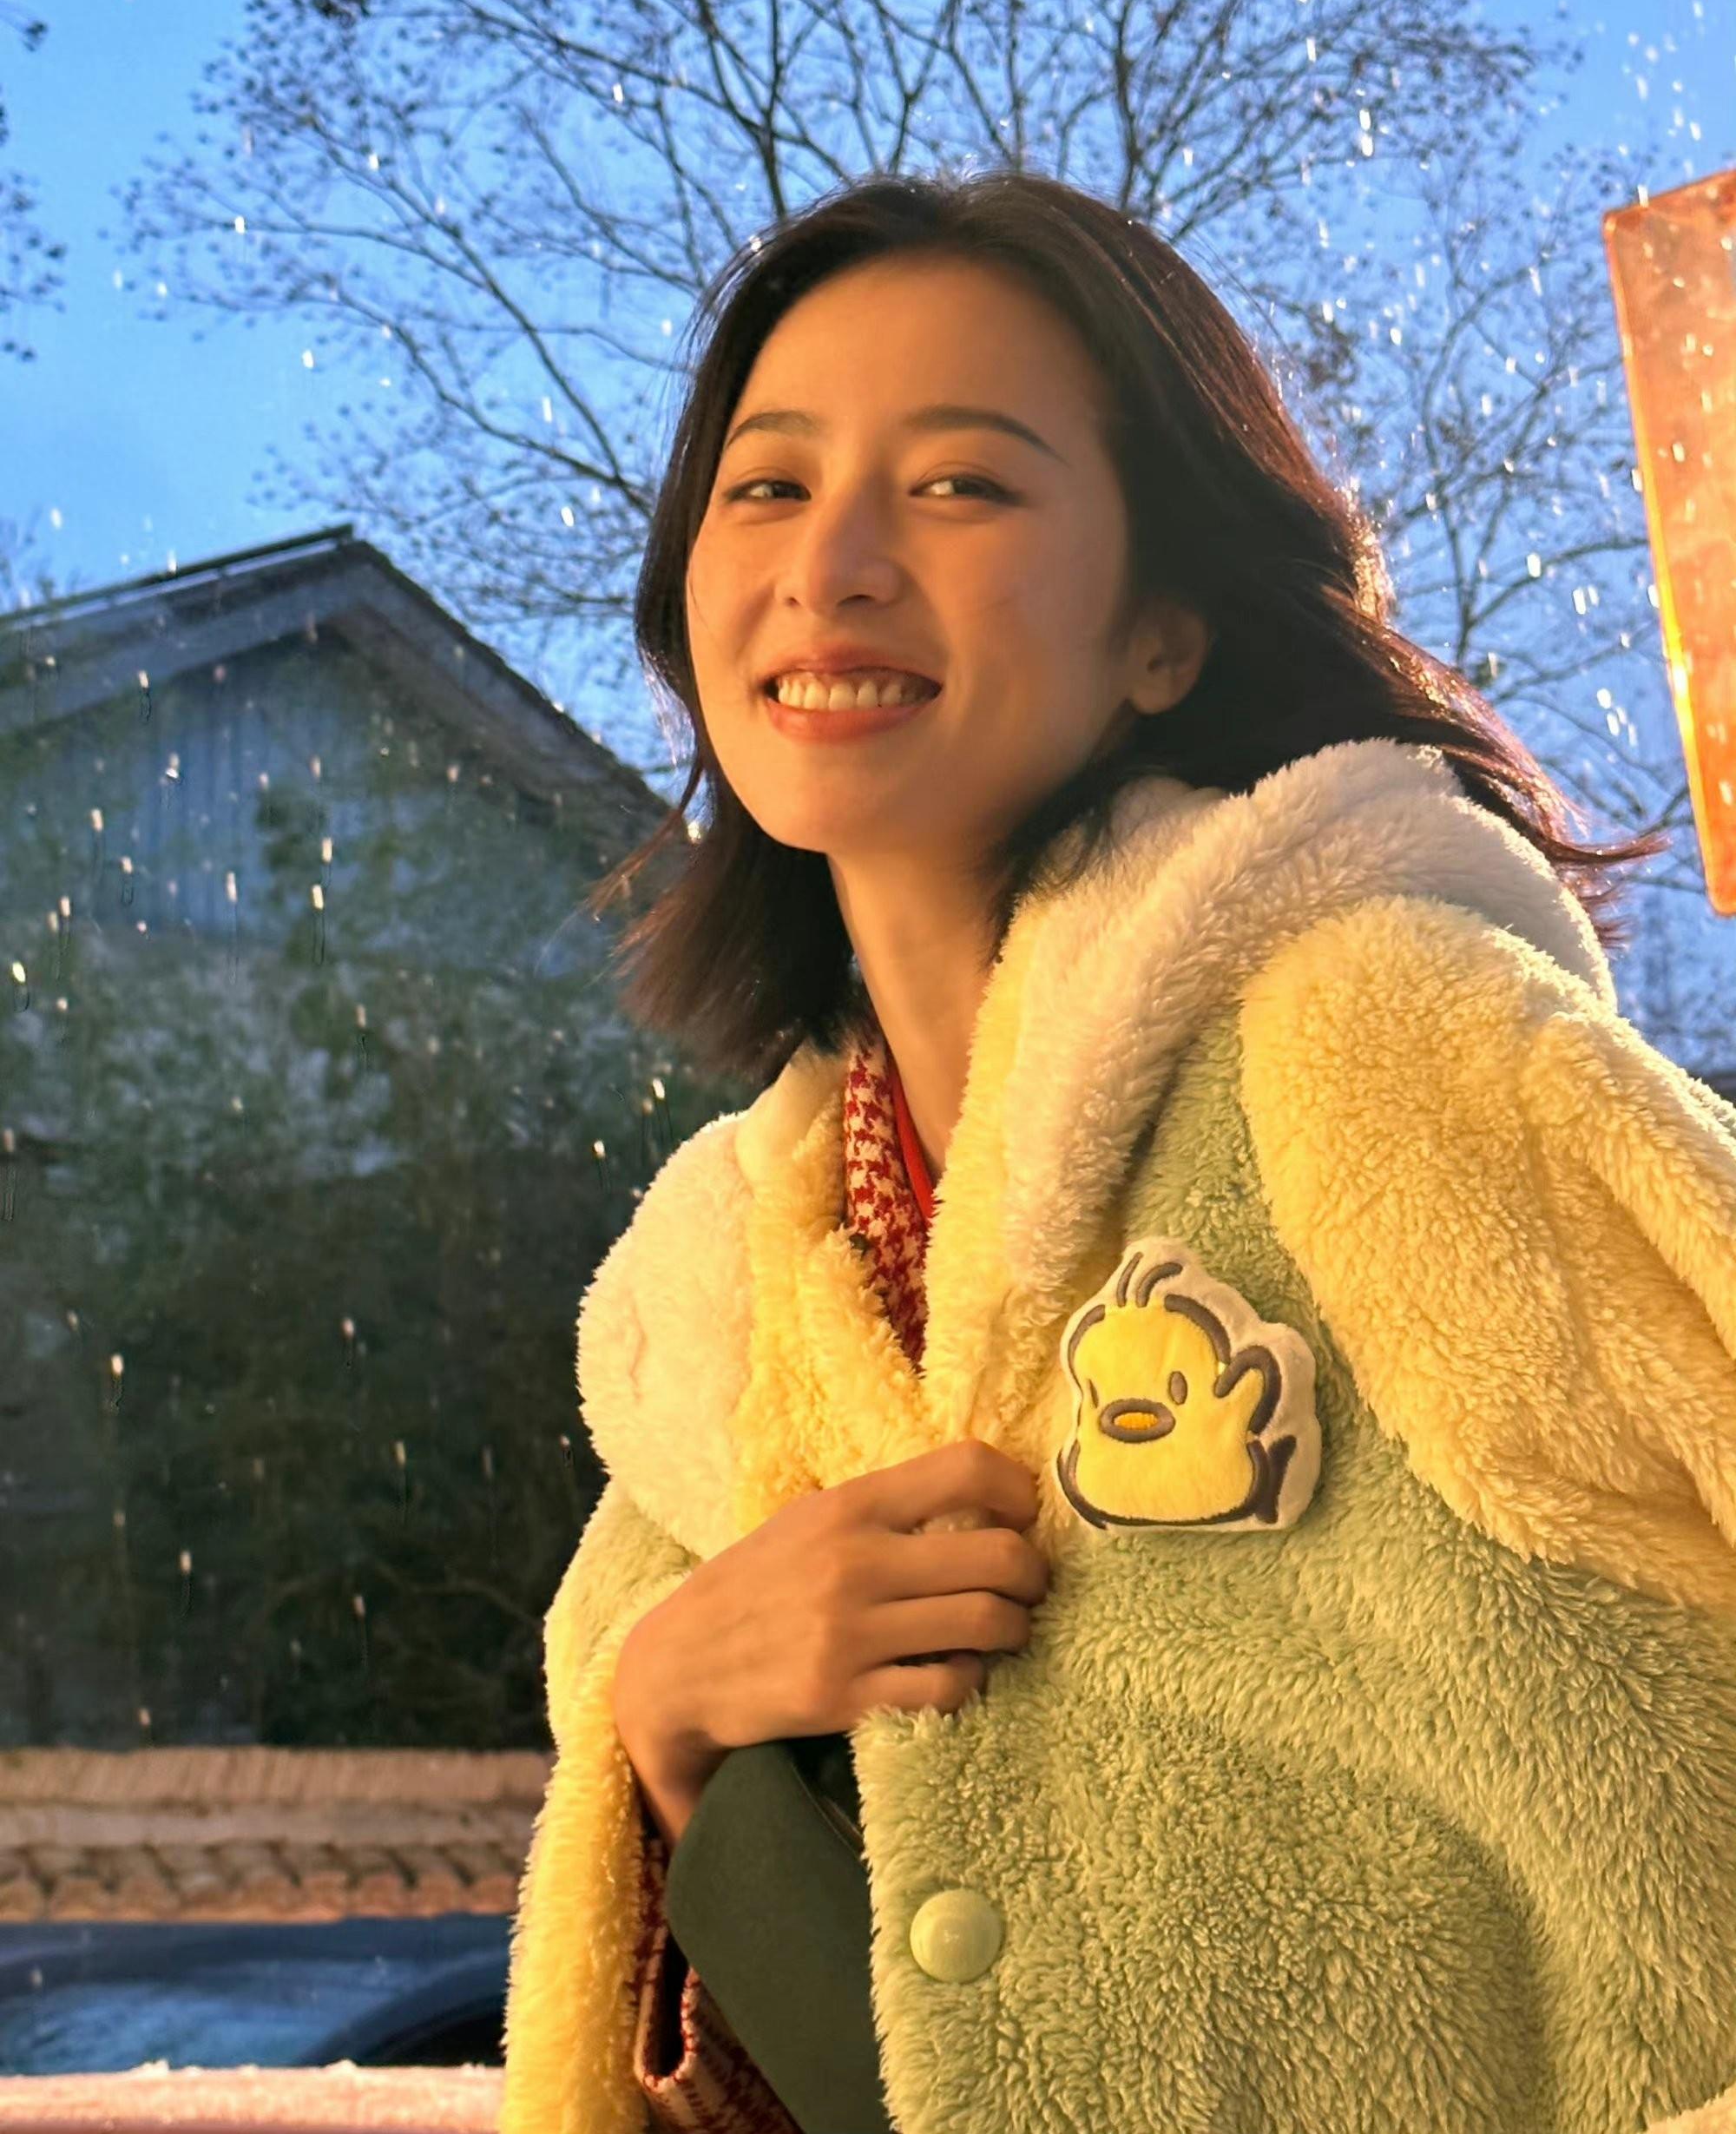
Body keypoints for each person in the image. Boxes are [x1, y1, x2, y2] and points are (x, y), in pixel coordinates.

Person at [498, 169, 1736, 2134]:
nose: (831, 565)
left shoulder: (1380, 1052)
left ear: (1161, 629)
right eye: (769, 484)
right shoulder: (709, 1315)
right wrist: (667, 1726)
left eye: (960, 484)